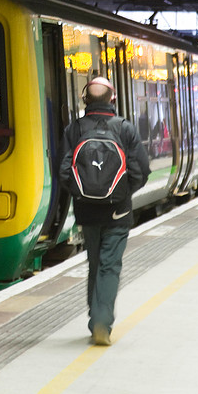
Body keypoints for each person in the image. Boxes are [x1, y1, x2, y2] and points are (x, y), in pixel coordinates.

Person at [59, 77, 150, 346]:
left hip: (87, 211)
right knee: (109, 267)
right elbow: (141, 171)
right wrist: (121, 194)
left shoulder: (73, 130)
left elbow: (64, 171)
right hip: (118, 213)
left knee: (95, 264)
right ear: (113, 99)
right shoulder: (125, 129)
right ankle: (101, 322)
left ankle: (94, 320)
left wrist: (81, 194)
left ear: (85, 100)